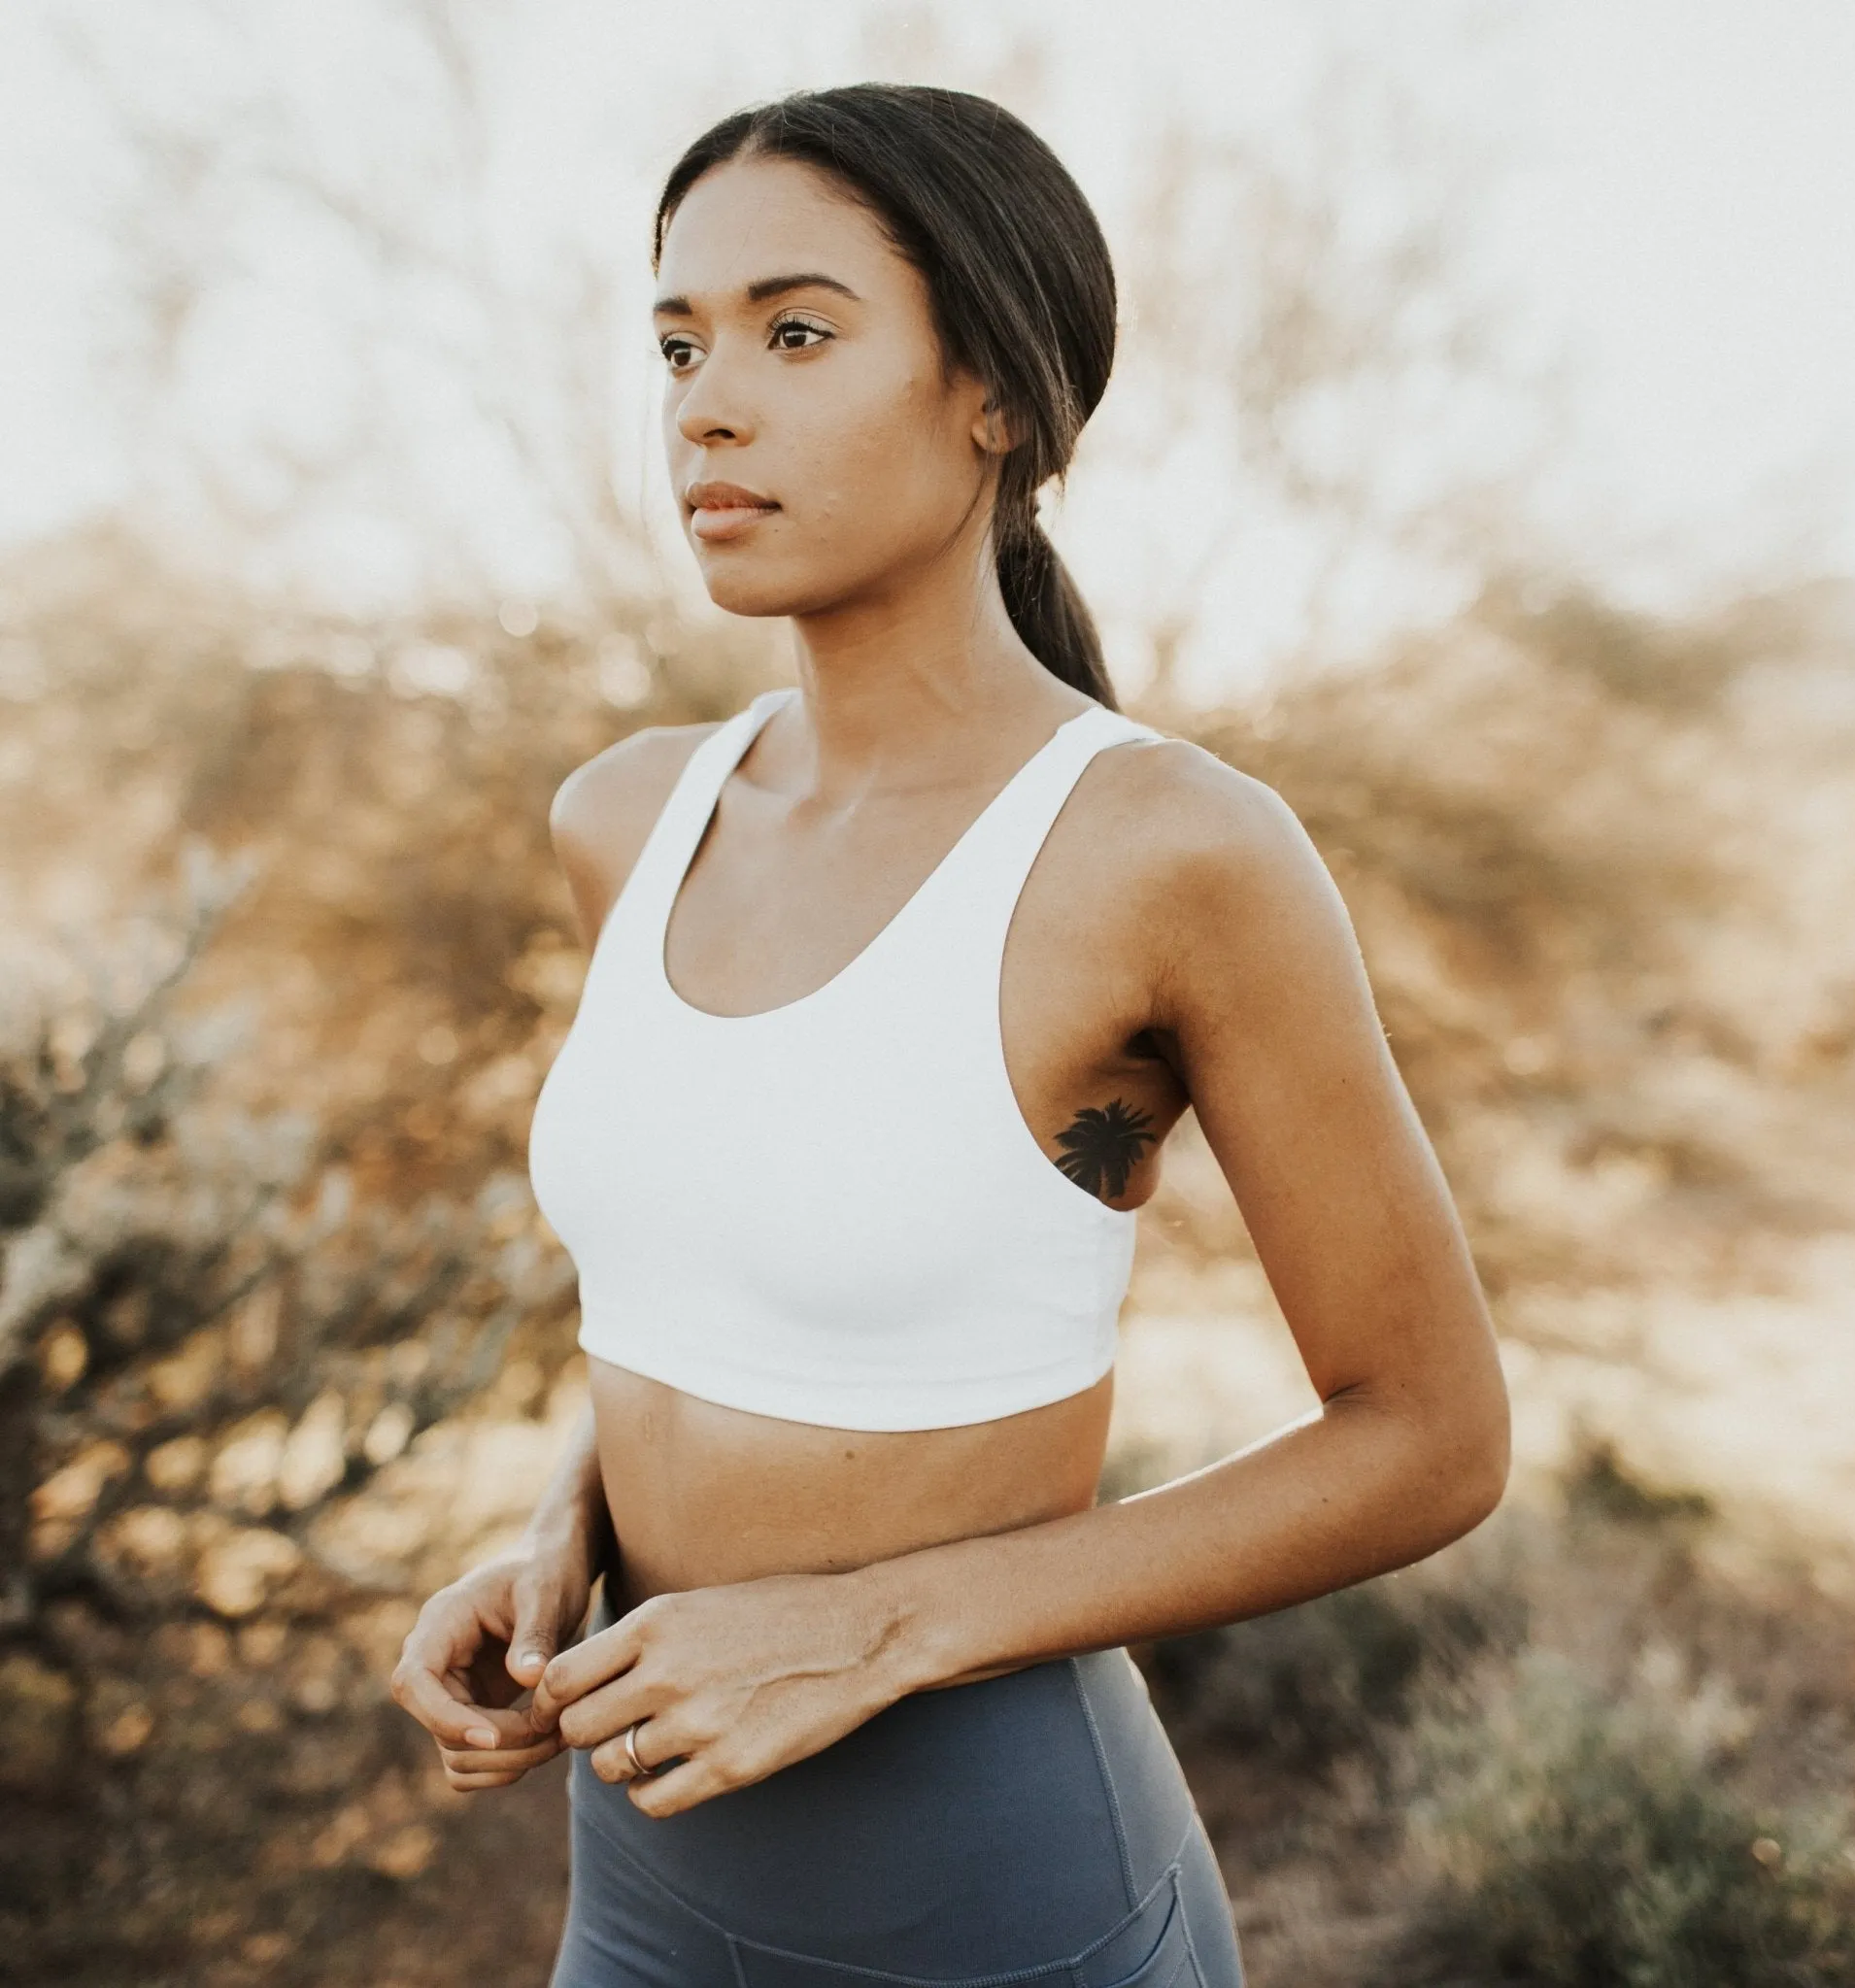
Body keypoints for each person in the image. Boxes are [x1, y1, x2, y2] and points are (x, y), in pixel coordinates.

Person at [389, 82, 1509, 1988]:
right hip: (644, 1881)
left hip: (1001, 1900)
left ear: (991, 389)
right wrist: (567, 1525)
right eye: (676, 344)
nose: (703, 405)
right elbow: (722, 1287)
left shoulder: (1166, 850)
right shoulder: (627, 816)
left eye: (794, 332)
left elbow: (1428, 1438)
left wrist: (876, 1626)